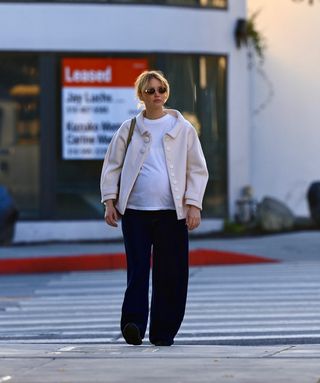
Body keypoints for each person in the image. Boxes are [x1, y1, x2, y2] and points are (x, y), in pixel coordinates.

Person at [100, 70, 208, 346]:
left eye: (161, 89)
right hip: (135, 212)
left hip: (172, 214)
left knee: (171, 274)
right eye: (150, 91)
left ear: (166, 93)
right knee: (137, 271)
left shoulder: (183, 129)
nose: (157, 95)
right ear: (141, 96)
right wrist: (110, 200)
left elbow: (197, 170)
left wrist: (193, 204)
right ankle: (133, 324)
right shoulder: (130, 128)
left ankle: (163, 332)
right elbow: (112, 164)